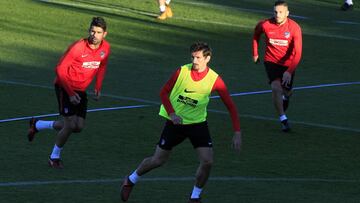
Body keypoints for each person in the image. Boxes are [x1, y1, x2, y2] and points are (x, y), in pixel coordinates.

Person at [120, 42, 242, 203]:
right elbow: (163, 92)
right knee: (158, 160)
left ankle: (195, 197)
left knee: (207, 161)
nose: (195, 61)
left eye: (198, 58)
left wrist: (237, 132)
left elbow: (231, 107)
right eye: (193, 57)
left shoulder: (215, 80)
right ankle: (131, 180)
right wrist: (172, 114)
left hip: (198, 124)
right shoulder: (181, 71)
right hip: (175, 124)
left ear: (208, 58)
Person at [27, 17, 111, 169]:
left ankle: (37, 125)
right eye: (92, 31)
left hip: (81, 90)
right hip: (65, 87)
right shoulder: (78, 47)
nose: (94, 34)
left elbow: (102, 65)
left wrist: (98, 87)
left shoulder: (106, 48)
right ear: (89, 31)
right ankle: (54, 157)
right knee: (70, 124)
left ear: (104, 34)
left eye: (98, 32)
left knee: (78, 127)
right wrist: (71, 93)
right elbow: (59, 69)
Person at [252, 0, 302, 132]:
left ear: (287, 13)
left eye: (281, 12)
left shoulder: (294, 28)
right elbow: (256, 35)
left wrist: (289, 71)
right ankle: (283, 119)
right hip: (271, 61)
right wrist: (255, 53)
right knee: (275, 87)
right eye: (275, 12)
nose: (278, 15)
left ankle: (286, 95)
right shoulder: (265, 24)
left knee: (287, 91)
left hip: (288, 64)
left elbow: (298, 53)